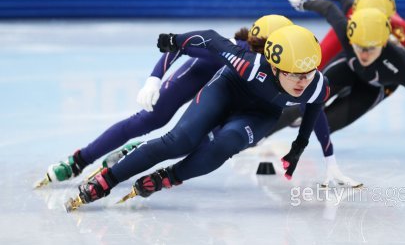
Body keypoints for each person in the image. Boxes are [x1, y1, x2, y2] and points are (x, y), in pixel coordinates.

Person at [66, 24, 331, 209]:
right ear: (274, 67)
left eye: (307, 74)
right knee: (180, 140)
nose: (302, 82)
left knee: (226, 144)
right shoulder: (249, 65)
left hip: (260, 113)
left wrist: (299, 146)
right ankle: (108, 179)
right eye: (294, 74)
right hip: (228, 90)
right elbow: (211, 39)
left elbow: (315, 107)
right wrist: (174, 40)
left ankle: (169, 176)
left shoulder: (317, 84)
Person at [38, 15, 295, 187]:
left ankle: (138, 150)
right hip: (205, 71)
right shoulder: (231, 49)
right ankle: (78, 161)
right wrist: (154, 78)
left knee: (192, 140)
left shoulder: (281, 69)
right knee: (152, 118)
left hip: (231, 94)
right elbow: (180, 44)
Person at [286, 0, 405, 161]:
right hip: (351, 61)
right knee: (305, 98)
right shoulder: (350, 25)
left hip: (377, 81)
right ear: (354, 15)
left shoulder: (399, 34)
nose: (368, 26)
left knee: (319, 120)